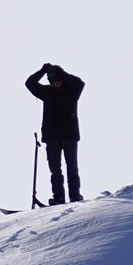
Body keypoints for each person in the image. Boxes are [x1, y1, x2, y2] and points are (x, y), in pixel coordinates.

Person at [25, 62, 85, 205]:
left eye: (57, 80)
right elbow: (29, 83)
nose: (55, 84)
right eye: (52, 81)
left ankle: (75, 196)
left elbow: (80, 83)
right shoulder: (46, 93)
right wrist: (43, 70)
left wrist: (61, 72)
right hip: (52, 137)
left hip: (69, 136)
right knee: (55, 170)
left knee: (72, 167)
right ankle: (59, 197)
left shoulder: (72, 92)